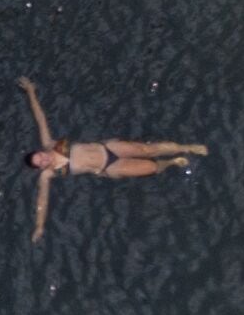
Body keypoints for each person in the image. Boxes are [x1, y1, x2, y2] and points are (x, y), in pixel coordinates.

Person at [21, 79, 209, 240]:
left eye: (40, 156)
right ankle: (173, 162)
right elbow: (42, 201)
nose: (44, 159)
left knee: (148, 149)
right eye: (41, 162)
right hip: (109, 168)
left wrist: (30, 91)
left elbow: (40, 118)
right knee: (150, 168)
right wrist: (39, 226)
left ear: (40, 151)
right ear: (41, 168)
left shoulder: (49, 143)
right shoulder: (47, 175)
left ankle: (187, 147)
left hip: (108, 148)